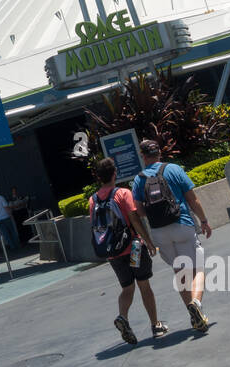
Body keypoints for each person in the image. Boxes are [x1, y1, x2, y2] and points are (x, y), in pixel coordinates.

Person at [132, 139, 213, 333]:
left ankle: (195, 317)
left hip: (159, 232)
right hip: (182, 224)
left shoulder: (139, 179)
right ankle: (196, 304)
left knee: (180, 273)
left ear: (143, 156)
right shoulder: (174, 169)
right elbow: (192, 199)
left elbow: (140, 212)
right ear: (159, 152)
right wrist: (203, 220)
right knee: (198, 269)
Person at [90, 156, 165, 345]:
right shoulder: (123, 193)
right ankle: (156, 325)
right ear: (114, 173)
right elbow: (134, 219)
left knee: (127, 288)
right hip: (134, 248)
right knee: (144, 285)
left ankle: (123, 316)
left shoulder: (93, 200)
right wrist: (148, 241)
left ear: (98, 177)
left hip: (113, 253)